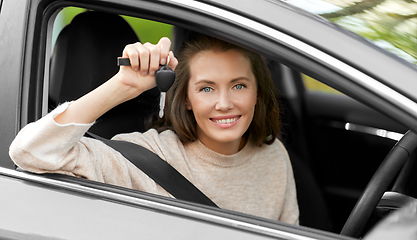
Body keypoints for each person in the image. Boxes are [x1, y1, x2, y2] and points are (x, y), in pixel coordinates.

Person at [9, 33, 299, 224]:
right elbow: (31, 151)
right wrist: (122, 86)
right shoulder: (145, 156)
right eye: (207, 88)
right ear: (186, 99)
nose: (224, 103)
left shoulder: (273, 155)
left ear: (257, 93)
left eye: (238, 85)